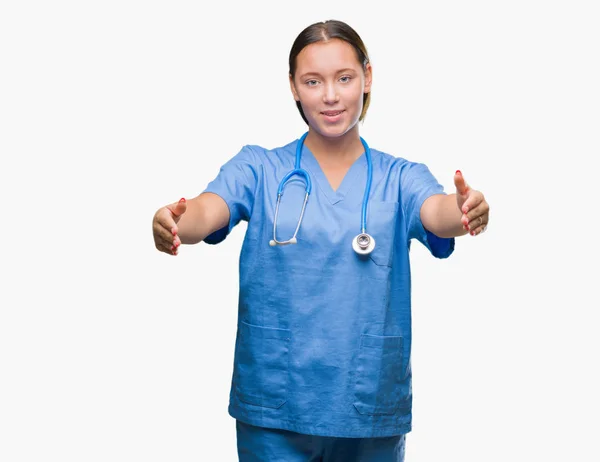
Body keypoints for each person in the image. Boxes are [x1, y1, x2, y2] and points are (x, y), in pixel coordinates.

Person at [152, 19, 490, 462]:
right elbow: (205, 209)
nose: (330, 96)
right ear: (293, 87)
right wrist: (175, 220)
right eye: (313, 81)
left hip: (365, 405)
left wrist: (463, 211)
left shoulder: (401, 177)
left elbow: (438, 212)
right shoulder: (258, 168)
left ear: (367, 77)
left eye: (344, 78)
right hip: (275, 405)